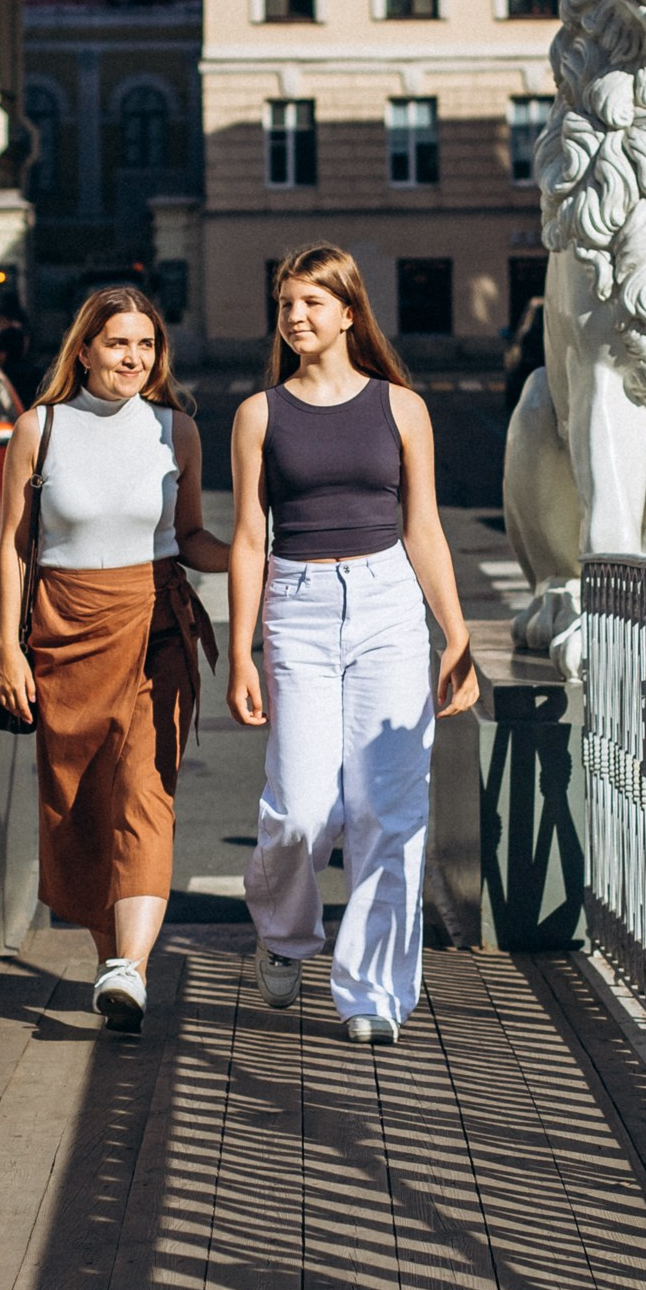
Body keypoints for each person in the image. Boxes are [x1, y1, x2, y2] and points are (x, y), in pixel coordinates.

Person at [227, 245, 478, 1046]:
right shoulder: (259, 414)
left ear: (347, 311)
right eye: (285, 305)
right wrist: (241, 652)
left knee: (385, 809)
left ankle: (370, 990)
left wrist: (457, 634)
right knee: (300, 810)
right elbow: (245, 540)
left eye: (309, 302)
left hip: (388, 604)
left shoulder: (401, 407)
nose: (295, 317)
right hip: (296, 607)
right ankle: (284, 933)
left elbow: (425, 527)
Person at [0, 286, 228, 1034]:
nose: (134, 358)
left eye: (147, 346)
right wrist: (6, 647)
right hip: (62, 629)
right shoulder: (41, 429)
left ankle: (131, 965)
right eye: (119, 343)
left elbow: (190, 535)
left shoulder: (174, 430)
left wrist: (253, 557)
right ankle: (113, 963)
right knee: (81, 808)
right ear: (85, 349)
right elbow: (13, 548)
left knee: (143, 794)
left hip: (155, 620)